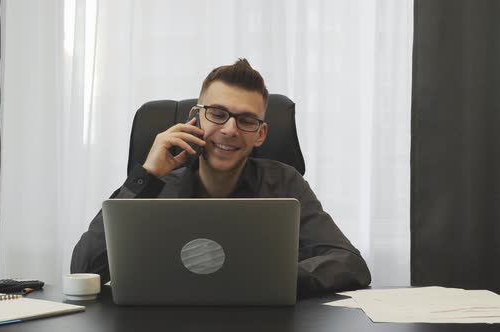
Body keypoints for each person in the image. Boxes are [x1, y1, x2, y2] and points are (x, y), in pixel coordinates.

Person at [71, 59, 371, 297]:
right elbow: (84, 269)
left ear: (261, 134)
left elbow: (349, 262)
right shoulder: (156, 186)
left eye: (246, 120)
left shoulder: (284, 184)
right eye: (217, 113)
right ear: (196, 117)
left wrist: (275, 279)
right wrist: (147, 175)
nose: (229, 129)